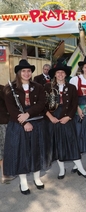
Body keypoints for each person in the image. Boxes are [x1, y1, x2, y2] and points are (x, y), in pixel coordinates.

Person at [4, 59, 47, 195]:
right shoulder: (9, 88)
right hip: (18, 124)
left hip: (36, 122)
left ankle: (36, 177)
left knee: (36, 150)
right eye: (23, 71)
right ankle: (23, 181)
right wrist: (24, 122)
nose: (26, 73)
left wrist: (28, 114)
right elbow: (11, 109)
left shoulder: (38, 87)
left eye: (29, 71)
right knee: (21, 152)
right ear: (19, 72)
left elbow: (41, 104)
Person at [45, 59, 86, 179]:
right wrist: (51, 118)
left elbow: (74, 104)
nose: (60, 75)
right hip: (53, 118)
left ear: (65, 74)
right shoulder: (47, 87)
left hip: (67, 118)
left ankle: (80, 168)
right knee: (58, 143)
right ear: (55, 74)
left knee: (72, 142)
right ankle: (61, 169)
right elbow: (43, 105)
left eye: (62, 73)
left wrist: (69, 117)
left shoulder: (71, 87)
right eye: (58, 73)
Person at [0, 84, 16, 184]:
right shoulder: (3, 89)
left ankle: (5, 173)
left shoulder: (3, 88)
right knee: (4, 147)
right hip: (3, 122)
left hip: (3, 121)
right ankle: (5, 174)